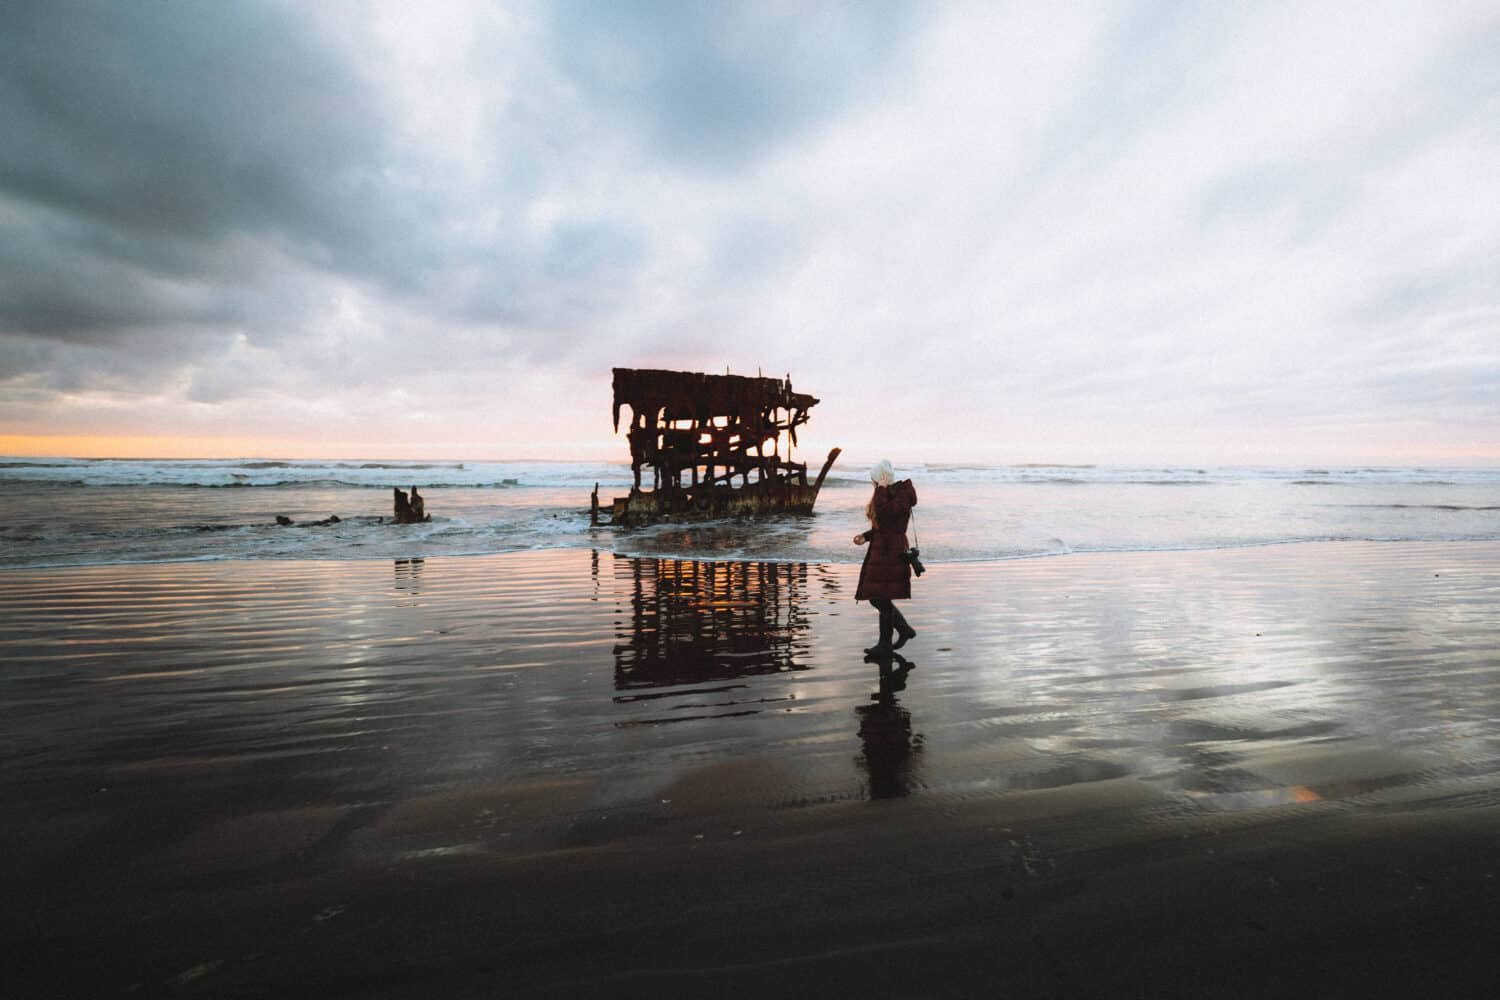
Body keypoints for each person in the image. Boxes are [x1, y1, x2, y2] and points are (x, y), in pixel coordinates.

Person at [853, 459, 918, 655]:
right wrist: (866, 536)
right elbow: (884, 525)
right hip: (883, 550)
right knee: (880, 597)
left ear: (883, 479)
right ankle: (887, 642)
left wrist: (880, 490)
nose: (873, 485)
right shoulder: (889, 494)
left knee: (879, 598)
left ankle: (899, 633)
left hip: (891, 551)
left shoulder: (902, 495)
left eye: (875, 480)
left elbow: (886, 513)